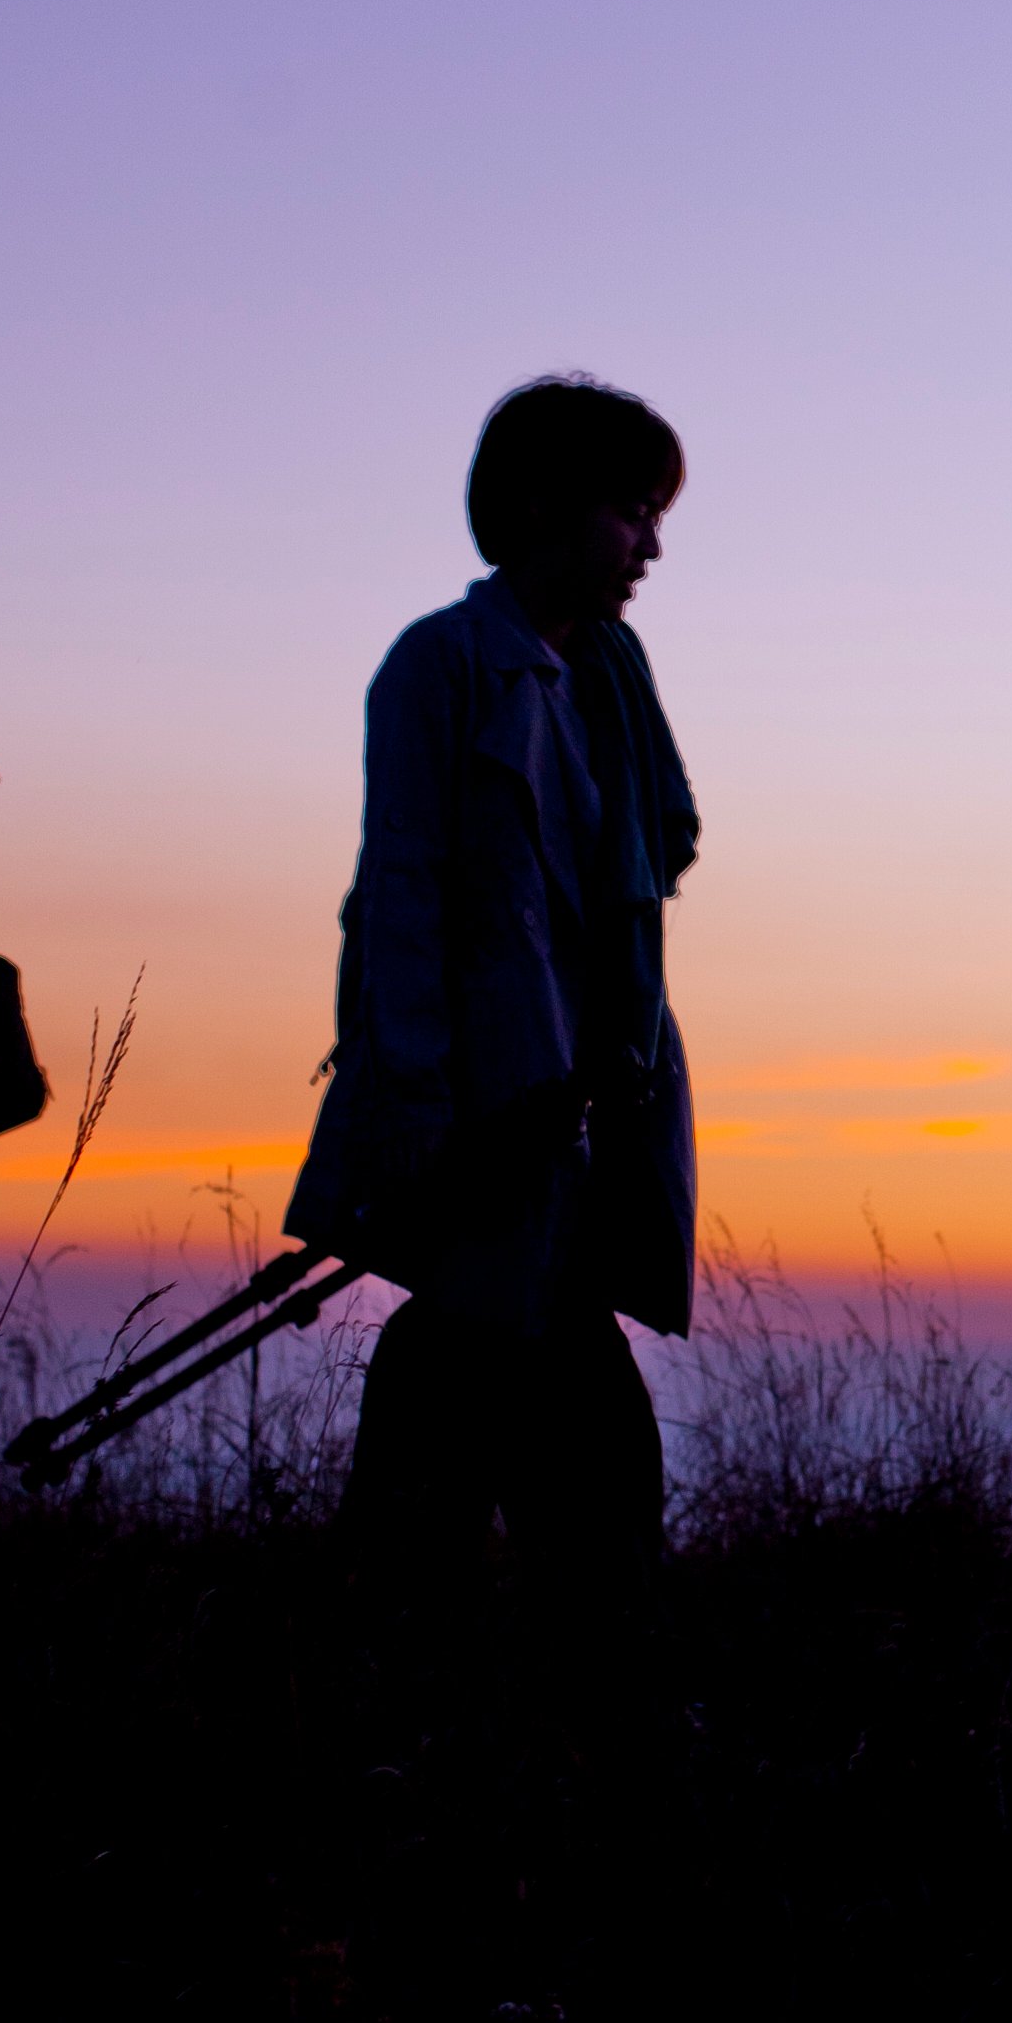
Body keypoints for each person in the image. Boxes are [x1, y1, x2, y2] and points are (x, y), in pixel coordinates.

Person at [291, 375, 699, 1608]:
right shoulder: (442, 666)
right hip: (487, 1113)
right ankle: (557, 1694)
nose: (651, 544)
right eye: (631, 511)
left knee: (495, 1365)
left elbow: (646, 863)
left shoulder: (609, 679)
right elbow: (400, 895)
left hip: (586, 1106)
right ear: (540, 506)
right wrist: (415, 1095)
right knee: (524, 1372)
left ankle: (398, 1675)